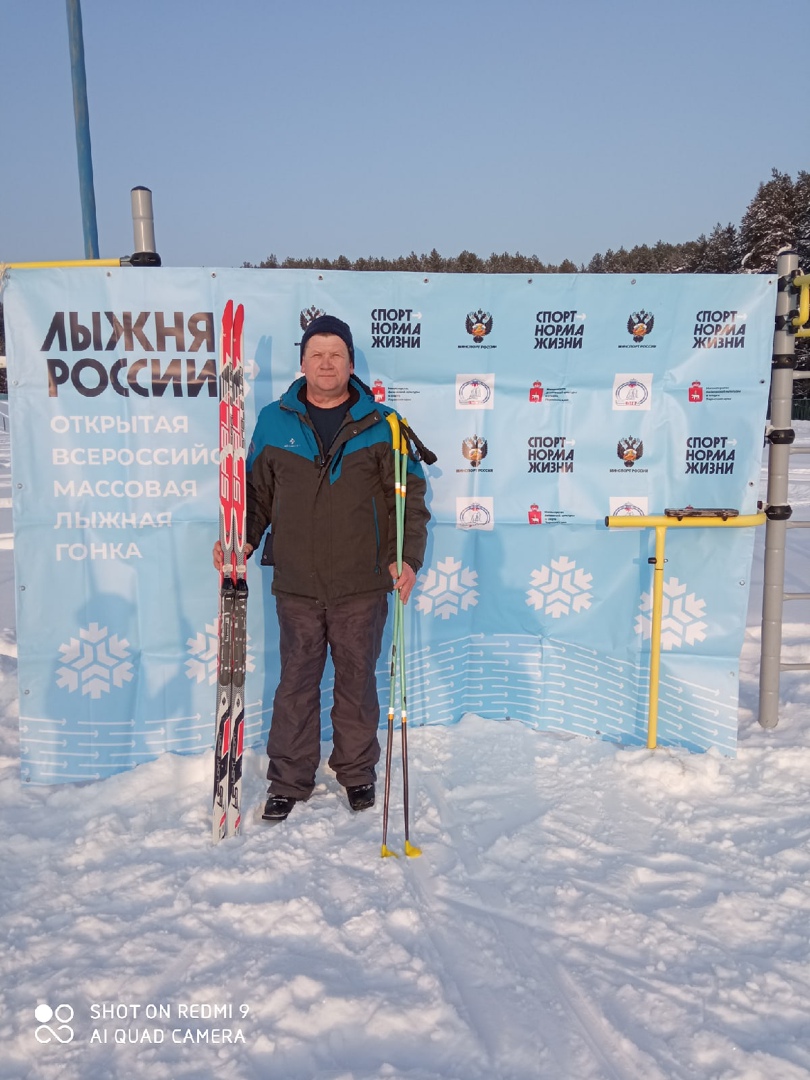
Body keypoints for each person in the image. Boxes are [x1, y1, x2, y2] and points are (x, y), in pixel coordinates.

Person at [214, 315, 430, 821]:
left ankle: (356, 774)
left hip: (362, 581)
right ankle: (289, 780)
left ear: (351, 364)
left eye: (337, 354)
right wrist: (241, 542)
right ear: (303, 363)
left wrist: (407, 557)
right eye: (317, 354)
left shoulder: (384, 424)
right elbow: (256, 496)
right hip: (297, 583)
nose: (327, 363)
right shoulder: (275, 420)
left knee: (357, 682)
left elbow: (408, 500)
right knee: (295, 682)